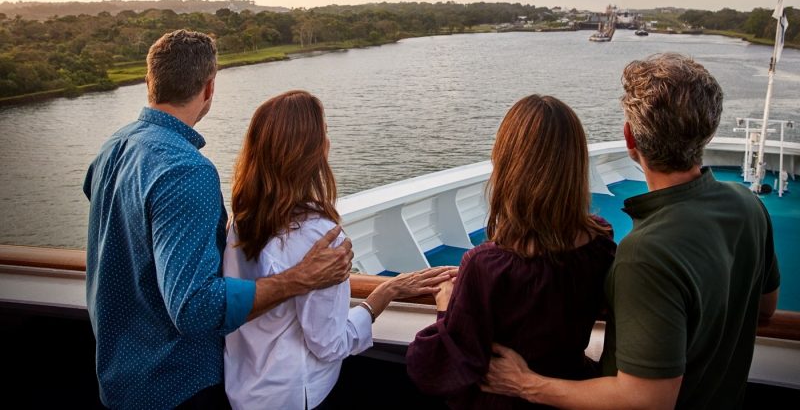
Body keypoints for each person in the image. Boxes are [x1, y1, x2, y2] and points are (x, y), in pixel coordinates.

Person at [482, 53, 781, 409]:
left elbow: (646, 401)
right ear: (709, 130)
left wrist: (527, 385)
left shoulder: (645, 253)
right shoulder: (747, 205)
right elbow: (765, 308)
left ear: (629, 137)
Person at [84, 30, 354, 410]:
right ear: (209, 88)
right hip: (174, 384)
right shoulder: (184, 170)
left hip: (117, 374)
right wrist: (301, 278)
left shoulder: (115, 146)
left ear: (150, 81)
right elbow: (194, 308)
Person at [222, 90, 454, 410]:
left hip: (245, 389)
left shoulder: (240, 221)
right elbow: (329, 345)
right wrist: (384, 293)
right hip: (295, 395)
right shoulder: (321, 237)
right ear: (311, 151)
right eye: (325, 133)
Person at [405, 94, 616, 408]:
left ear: (507, 164)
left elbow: (436, 366)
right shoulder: (600, 241)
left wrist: (447, 307)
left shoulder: (484, 266)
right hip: (570, 392)